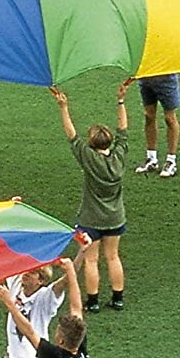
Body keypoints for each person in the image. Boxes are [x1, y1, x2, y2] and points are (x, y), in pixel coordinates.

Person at [51, 81, 130, 311]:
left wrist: (63, 107)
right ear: (109, 143)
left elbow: (71, 135)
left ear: (92, 143)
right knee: (113, 257)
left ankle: (93, 302)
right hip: (115, 217)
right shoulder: (119, 158)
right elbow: (123, 130)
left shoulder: (88, 158)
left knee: (91, 259)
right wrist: (121, 100)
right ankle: (118, 298)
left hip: (90, 219)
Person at [132, 74, 180, 178]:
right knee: (149, 116)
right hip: (146, 78)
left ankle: (171, 161)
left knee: (170, 118)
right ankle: (151, 159)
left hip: (166, 78)